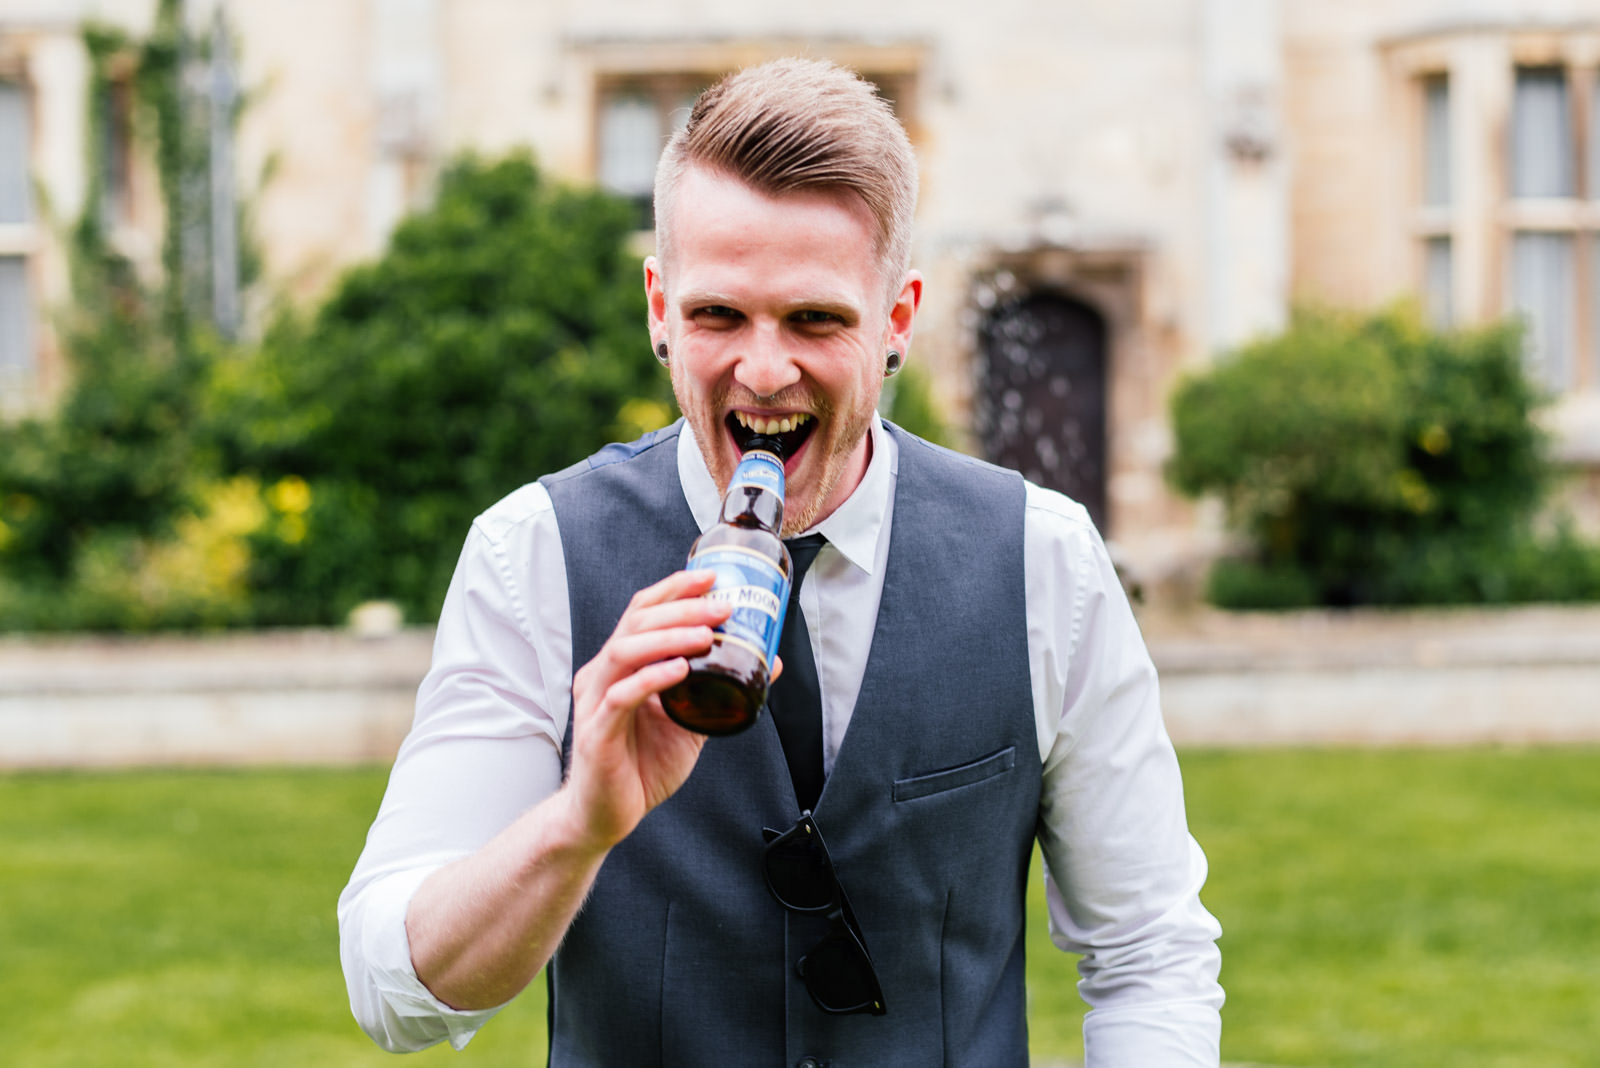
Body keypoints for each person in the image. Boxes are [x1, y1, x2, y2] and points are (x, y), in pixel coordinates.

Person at [339, 57, 1223, 1065]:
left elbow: (1148, 950)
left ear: (896, 320)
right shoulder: (531, 553)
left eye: (814, 319)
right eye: (718, 315)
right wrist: (573, 827)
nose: (763, 371)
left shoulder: (1043, 559)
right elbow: (395, 994)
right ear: (658, 310)